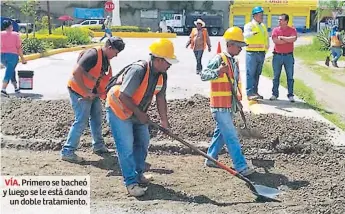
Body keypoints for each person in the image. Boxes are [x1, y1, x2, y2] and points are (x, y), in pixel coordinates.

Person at [106, 38, 178, 197]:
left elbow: (160, 98)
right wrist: (140, 114)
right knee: (126, 147)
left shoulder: (161, 74)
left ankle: (139, 174)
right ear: (158, 60)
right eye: (168, 61)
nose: (170, 65)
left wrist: (164, 122)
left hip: (137, 109)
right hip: (118, 108)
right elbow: (124, 96)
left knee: (143, 142)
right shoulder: (138, 70)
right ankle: (131, 183)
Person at [200, 27, 255, 177]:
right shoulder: (219, 59)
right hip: (219, 106)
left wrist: (238, 100)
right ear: (230, 44)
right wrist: (218, 71)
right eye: (239, 46)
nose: (241, 50)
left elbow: (234, 83)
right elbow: (203, 75)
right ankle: (241, 166)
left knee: (221, 134)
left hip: (229, 105)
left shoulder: (233, 61)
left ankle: (211, 158)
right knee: (231, 136)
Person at [60, 37, 125, 162]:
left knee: (96, 118)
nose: (116, 56)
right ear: (109, 48)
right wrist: (85, 91)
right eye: (116, 53)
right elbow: (76, 73)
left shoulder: (104, 58)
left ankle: (98, 146)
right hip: (79, 91)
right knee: (81, 121)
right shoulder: (93, 54)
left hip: (91, 93)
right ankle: (67, 151)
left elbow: (102, 78)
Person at [270, 14, 298, 102]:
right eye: (279, 20)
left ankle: (290, 95)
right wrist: (287, 40)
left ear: (286, 21)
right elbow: (276, 41)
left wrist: (282, 38)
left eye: (281, 20)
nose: (279, 21)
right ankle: (275, 94)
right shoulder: (275, 30)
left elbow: (293, 39)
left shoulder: (292, 30)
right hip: (277, 56)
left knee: (290, 76)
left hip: (288, 56)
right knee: (276, 76)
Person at [243, 6, 269, 101]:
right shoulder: (249, 25)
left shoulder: (263, 26)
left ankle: (255, 91)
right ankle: (249, 93)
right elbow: (245, 35)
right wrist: (252, 33)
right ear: (254, 16)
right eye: (260, 15)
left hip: (261, 53)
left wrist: (265, 50)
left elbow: (266, 38)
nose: (262, 17)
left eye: (262, 15)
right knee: (250, 73)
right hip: (251, 53)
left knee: (257, 73)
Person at [0, 19, 27, 97]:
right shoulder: (16, 35)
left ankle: (16, 88)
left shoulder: (0, 34)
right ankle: (3, 89)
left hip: (2, 56)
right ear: (11, 26)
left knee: (11, 70)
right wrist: (22, 58)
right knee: (9, 71)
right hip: (12, 56)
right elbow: (19, 48)